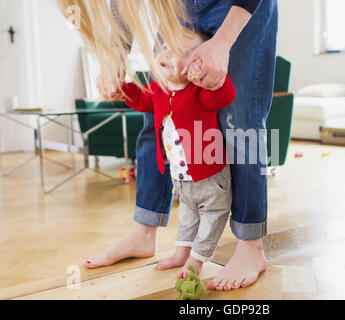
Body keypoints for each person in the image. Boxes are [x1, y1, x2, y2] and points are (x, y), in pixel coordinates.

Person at [59, 0, 278, 291]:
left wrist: (223, 41)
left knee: (241, 119)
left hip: (239, 6)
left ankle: (251, 247)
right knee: (159, 112)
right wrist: (116, 57)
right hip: (179, 8)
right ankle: (143, 233)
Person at [120, 30, 236, 278]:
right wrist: (120, 88)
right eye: (166, 47)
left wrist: (212, 77)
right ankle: (182, 253)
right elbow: (141, 100)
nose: (167, 54)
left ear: (197, 64)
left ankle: (198, 259)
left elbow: (225, 95)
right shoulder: (159, 88)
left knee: (210, 221)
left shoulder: (198, 90)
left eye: (179, 51)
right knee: (187, 218)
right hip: (181, 180)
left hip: (211, 179)